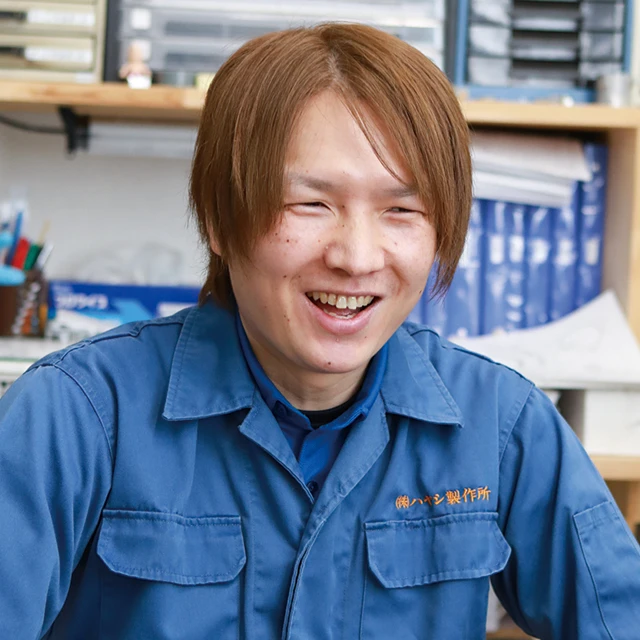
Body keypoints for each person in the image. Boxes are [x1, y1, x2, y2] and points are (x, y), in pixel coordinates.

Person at [0, 23, 638, 640]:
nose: (357, 258)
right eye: (310, 203)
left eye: (402, 209)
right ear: (219, 219)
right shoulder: (75, 415)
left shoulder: (501, 424)